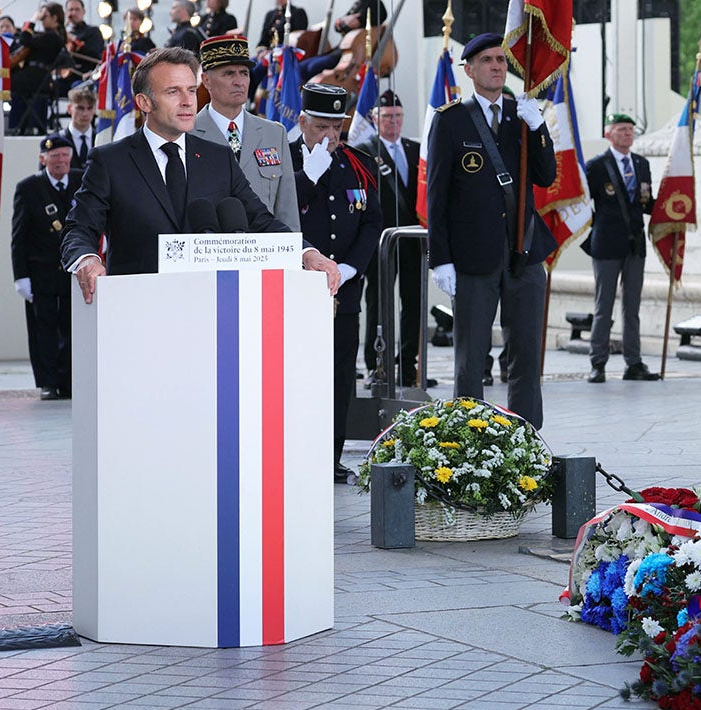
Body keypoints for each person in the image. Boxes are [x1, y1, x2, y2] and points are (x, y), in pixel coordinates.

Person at [60, 47, 341, 303]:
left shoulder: (219, 158)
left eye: (192, 91)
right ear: (144, 102)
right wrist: (87, 260)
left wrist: (307, 253)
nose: (187, 102)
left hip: (211, 308)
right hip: (138, 307)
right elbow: (79, 228)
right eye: (173, 92)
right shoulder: (111, 161)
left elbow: (261, 220)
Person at [426, 32, 557, 428]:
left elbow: (545, 175)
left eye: (501, 60)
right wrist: (441, 258)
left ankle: (527, 436)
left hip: (523, 251)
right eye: (487, 60)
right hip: (473, 255)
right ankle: (470, 437)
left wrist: (538, 129)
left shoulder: (522, 114)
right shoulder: (451, 120)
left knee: (526, 353)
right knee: (471, 356)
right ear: (469, 70)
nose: (497, 66)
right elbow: (437, 196)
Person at [289, 83, 382, 483]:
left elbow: (372, 221)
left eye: (336, 128)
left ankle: (331, 456)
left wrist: (348, 268)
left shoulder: (359, 163)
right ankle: (295, 453)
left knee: (340, 374)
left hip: (342, 289)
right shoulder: (282, 159)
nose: (329, 136)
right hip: (294, 287)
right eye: (320, 127)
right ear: (302, 122)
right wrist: (308, 175)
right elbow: (276, 214)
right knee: (296, 374)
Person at [191, 34, 299, 231]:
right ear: (206, 80)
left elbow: (287, 207)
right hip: (210, 247)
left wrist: (292, 246)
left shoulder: (274, 133)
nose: (239, 81)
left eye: (244, 73)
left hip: (265, 246)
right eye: (229, 74)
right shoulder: (187, 134)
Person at [361, 89, 430, 388]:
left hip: (413, 240)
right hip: (382, 242)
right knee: (379, 304)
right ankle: (377, 364)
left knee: (414, 303)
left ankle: (408, 365)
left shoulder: (416, 150)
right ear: (375, 119)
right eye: (387, 117)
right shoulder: (365, 151)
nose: (393, 122)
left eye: (398, 116)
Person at [583, 112, 659, 383]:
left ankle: (633, 362)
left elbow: (646, 202)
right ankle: (598, 362)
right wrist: (594, 229)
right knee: (603, 306)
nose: (628, 134)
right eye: (621, 129)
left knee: (632, 307)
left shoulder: (641, 164)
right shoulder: (596, 166)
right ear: (608, 134)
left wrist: (673, 208)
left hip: (634, 244)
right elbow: (582, 203)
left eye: (630, 129)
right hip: (606, 244)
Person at [13, 135, 81, 400]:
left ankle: (69, 381)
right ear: (43, 159)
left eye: (65, 155)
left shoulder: (82, 181)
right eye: (54, 156)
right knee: (44, 331)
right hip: (41, 272)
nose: (60, 161)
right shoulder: (29, 188)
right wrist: (21, 276)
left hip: (73, 271)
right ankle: (48, 382)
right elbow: (19, 236)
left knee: (72, 328)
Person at [10, 2, 66, 135]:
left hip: (36, 77)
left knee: (8, 81)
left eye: (44, 17)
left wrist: (33, 19)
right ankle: (20, 126)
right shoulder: (47, 36)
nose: (42, 20)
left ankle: (16, 126)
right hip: (34, 76)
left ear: (54, 18)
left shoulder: (52, 36)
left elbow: (25, 39)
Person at [62, 0, 105, 84]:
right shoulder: (64, 34)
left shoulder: (93, 31)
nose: (74, 13)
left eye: (77, 9)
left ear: (83, 11)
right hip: (67, 78)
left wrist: (74, 40)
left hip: (87, 76)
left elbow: (95, 52)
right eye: (71, 10)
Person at [59, 83, 97, 170]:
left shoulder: (100, 139)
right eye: (80, 108)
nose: (85, 114)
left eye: (90, 108)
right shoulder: (59, 140)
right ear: (69, 108)